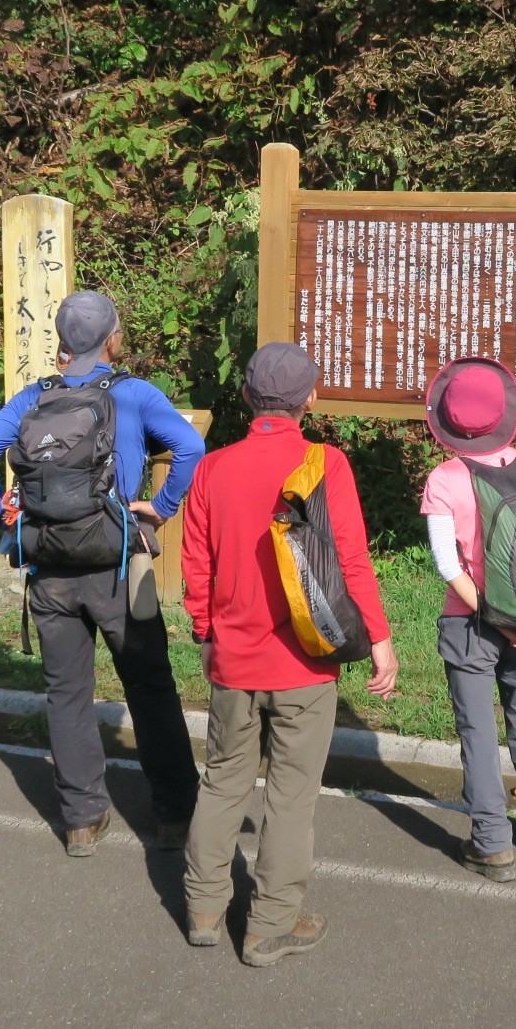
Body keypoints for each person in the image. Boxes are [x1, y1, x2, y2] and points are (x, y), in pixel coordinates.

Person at [0, 291, 206, 855]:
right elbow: (191, 447)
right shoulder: (134, 394)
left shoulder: (33, 397)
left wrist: (5, 519)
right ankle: (174, 817)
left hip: (50, 566)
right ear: (113, 339)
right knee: (149, 687)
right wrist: (162, 508)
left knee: (67, 693)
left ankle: (80, 820)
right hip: (119, 566)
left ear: (62, 345)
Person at [180, 342, 398, 966]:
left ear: (247, 396)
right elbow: (351, 561)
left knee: (222, 781)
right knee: (290, 794)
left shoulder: (213, 469)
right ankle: (269, 925)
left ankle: (202, 908)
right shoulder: (324, 462)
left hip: (231, 661)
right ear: (309, 398)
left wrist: (205, 632)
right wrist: (378, 640)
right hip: (303, 664)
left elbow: (197, 565)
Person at [420, 355, 516, 883]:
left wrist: (488, 614)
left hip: (471, 622)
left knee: (478, 732)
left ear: (447, 422)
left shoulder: (445, 479)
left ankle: (491, 844)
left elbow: (445, 563)